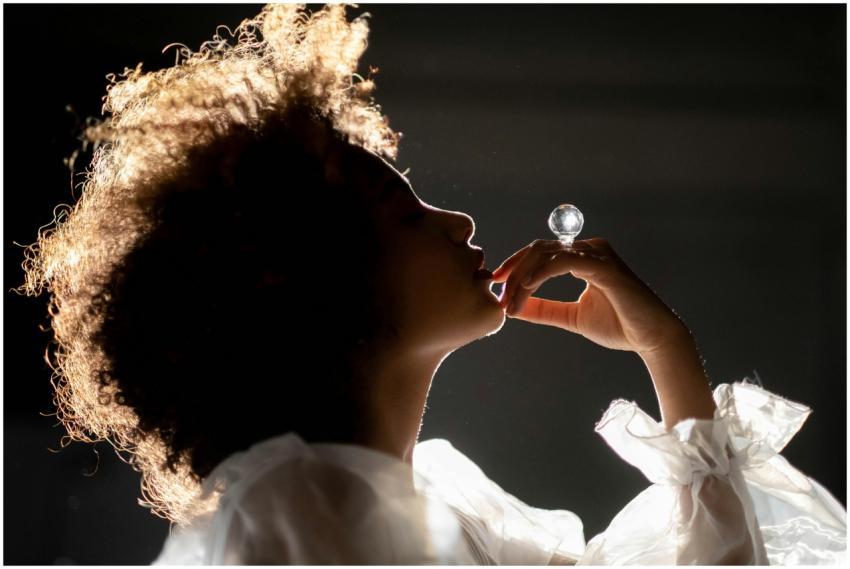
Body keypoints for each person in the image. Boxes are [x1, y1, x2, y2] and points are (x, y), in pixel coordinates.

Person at [15, 3, 845, 565]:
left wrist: (667, 351)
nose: (459, 224)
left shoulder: (442, 505)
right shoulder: (295, 519)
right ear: (315, 281)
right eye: (406, 213)